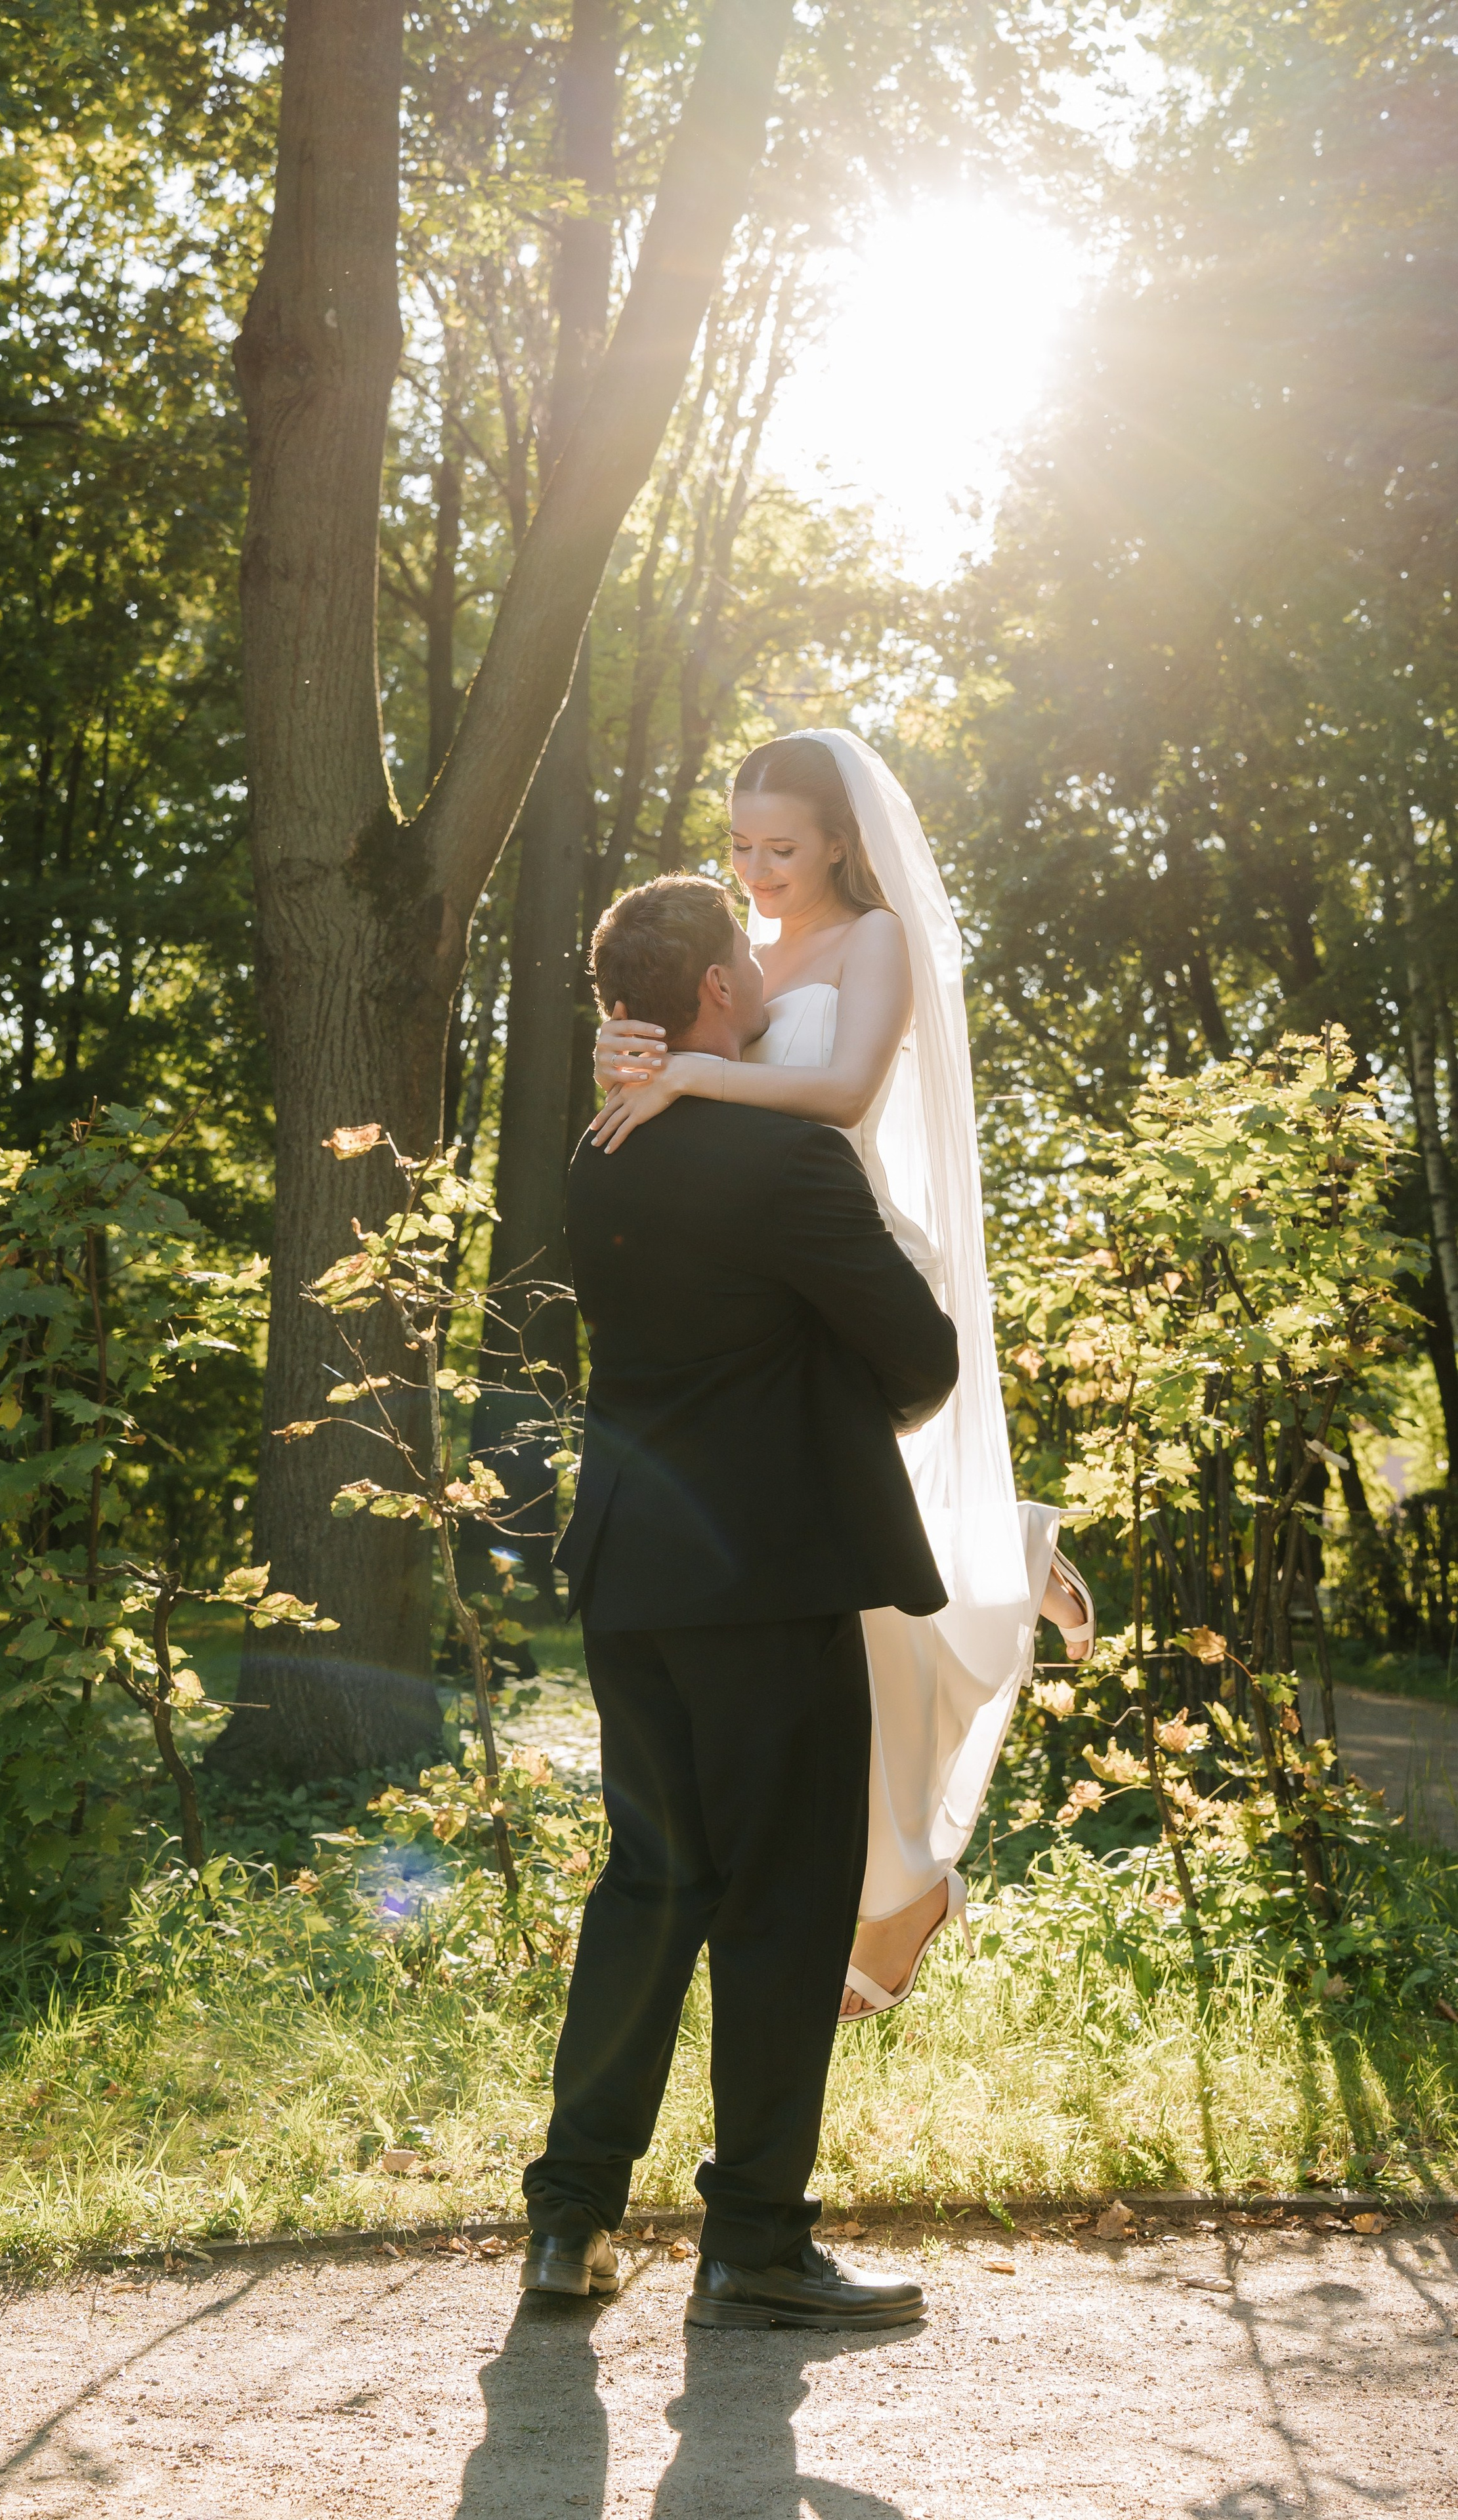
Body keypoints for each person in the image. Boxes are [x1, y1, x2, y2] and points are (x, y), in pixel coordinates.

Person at [590, 730, 1096, 2020]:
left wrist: (702, 1075)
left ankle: (1002, 1561)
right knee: (837, 1615)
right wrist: (635, 1069)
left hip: (852, 1246)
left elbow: (847, 1084)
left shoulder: (870, 940)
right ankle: (892, 1885)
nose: (756, 869)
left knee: (857, 1592)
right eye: (740, 846)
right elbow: (687, 1070)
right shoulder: (735, 958)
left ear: (834, 842)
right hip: (763, 1279)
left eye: (781, 846)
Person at [521, 874, 958, 2330]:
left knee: (649, 1886)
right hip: (770, 1575)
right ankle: (753, 2246)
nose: (765, 971)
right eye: (743, 961)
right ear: (714, 994)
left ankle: (569, 2222)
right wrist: (824, 1402)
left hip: (629, 1571)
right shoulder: (786, 1162)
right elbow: (919, 1358)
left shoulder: (601, 1153)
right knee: (780, 1903)